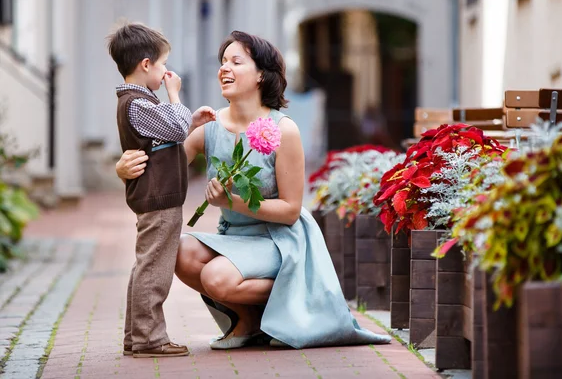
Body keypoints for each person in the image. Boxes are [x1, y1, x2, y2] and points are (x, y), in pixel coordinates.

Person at [116, 30, 392, 350]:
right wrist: (122, 170)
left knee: (216, 278)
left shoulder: (283, 130)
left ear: (261, 74)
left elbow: (290, 211)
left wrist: (230, 200)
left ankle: (298, 295)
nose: (224, 68)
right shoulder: (210, 128)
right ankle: (248, 321)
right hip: (234, 237)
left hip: (278, 239)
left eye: (236, 61)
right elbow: (159, 174)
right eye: (222, 62)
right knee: (175, 252)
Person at [107, 22, 216, 358]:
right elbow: (172, 125)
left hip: (156, 196)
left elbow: (170, 133)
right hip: (158, 197)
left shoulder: (139, 103)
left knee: (147, 264)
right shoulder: (138, 103)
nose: (166, 71)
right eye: (162, 64)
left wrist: (191, 122)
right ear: (145, 65)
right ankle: (149, 338)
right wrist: (175, 96)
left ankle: (136, 335)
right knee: (155, 267)